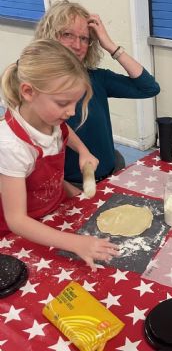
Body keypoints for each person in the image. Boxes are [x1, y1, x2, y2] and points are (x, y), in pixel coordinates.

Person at [0, 39, 119, 270]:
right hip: (22, 232)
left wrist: (83, 151)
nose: (72, 112)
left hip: (54, 212)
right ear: (28, 92)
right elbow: (17, 220)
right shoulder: (11, 146)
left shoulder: (50, 119)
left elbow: (64, 131)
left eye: (75, 102)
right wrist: (75, 243)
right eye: (63, 103)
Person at [34, 0, 160, 188]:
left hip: (111, 172)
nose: (77, 45)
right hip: (71, 186)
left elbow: (149, 88)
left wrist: (111, 46)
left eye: (85, 38)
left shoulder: (96, 78)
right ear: (50, 36)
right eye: (67, 34)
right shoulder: (36, 85)